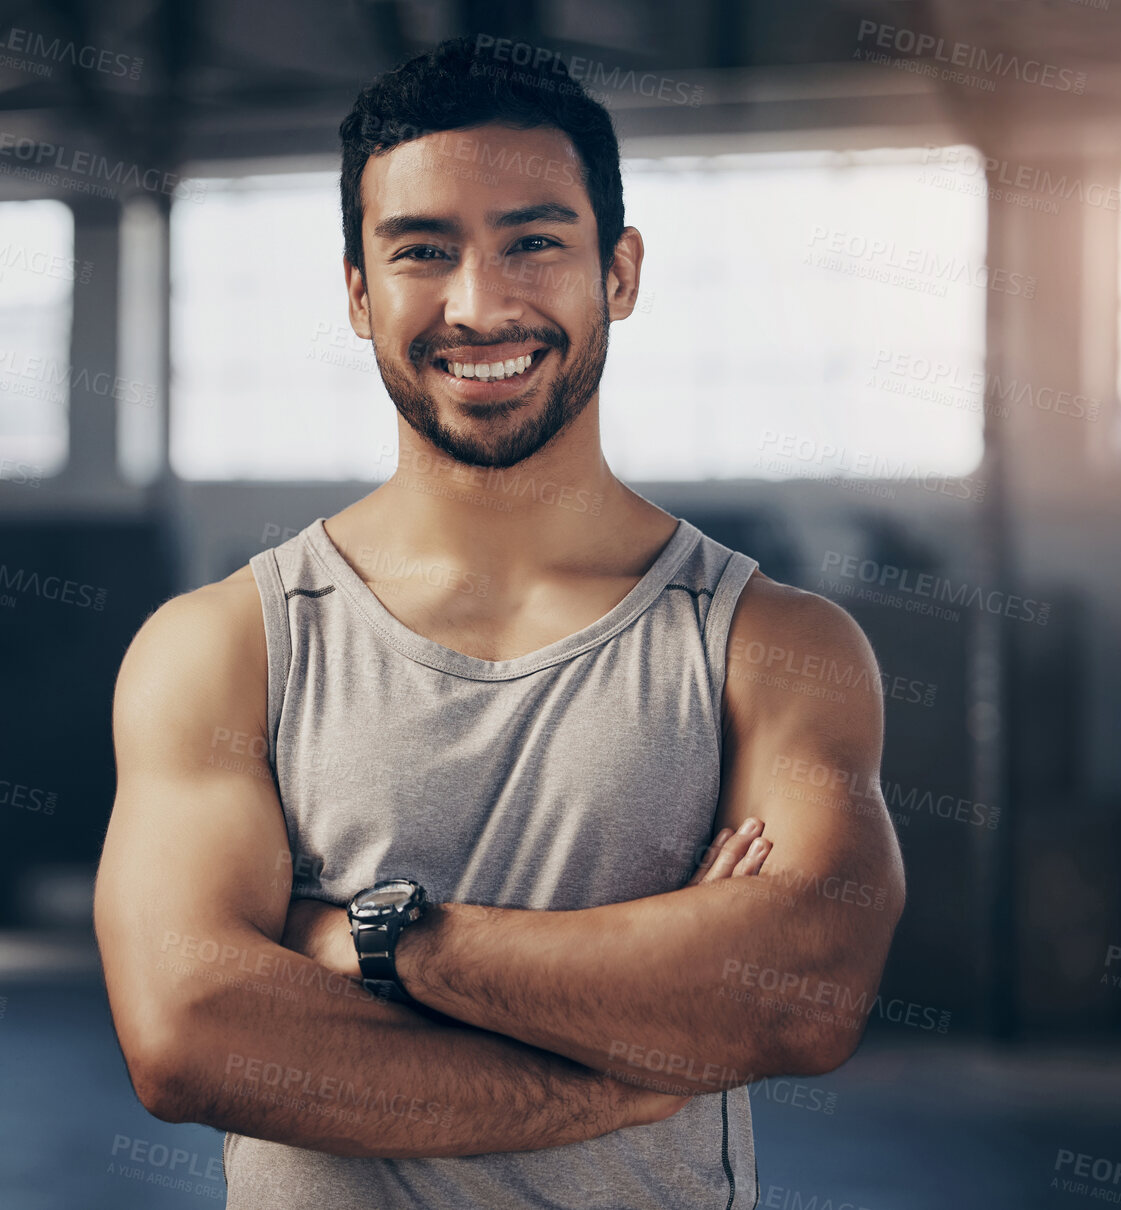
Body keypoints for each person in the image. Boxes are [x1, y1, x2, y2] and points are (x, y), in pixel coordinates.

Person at [95, 34, 904, 1209]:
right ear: (357, 292)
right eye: (423, 252)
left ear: (616, 272)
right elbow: (191, 1035)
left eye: (533, 242)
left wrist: (375, 941)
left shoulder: (773, 647)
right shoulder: (223, 647)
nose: (479, 306)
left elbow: (799, 993)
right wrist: (628, 1067)